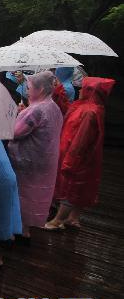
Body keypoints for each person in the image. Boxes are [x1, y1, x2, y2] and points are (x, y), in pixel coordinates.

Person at [46, 77, 116, 230]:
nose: (80, 90)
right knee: (79, 187)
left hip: (75, 156)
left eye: (83, 88)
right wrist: (58, 91)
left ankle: (58, 220)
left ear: (90, 91)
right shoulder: (86, 106)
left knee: (70, 187)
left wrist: (70, 161)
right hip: (74, 155)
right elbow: (67, 109)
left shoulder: (90, 112)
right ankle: (73, 218)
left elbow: (81, 140)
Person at [7, 71, 64, 238]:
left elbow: (15, 132)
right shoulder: (52, 107)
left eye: (30, 87)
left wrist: (18, 115)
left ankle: (18, 230)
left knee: (22, 194)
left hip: (28, 161)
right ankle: (25, 230)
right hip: (44, 160)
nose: (27, 91)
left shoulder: (37, 110)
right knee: (32, 195)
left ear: (39, 90)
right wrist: (24, 112)